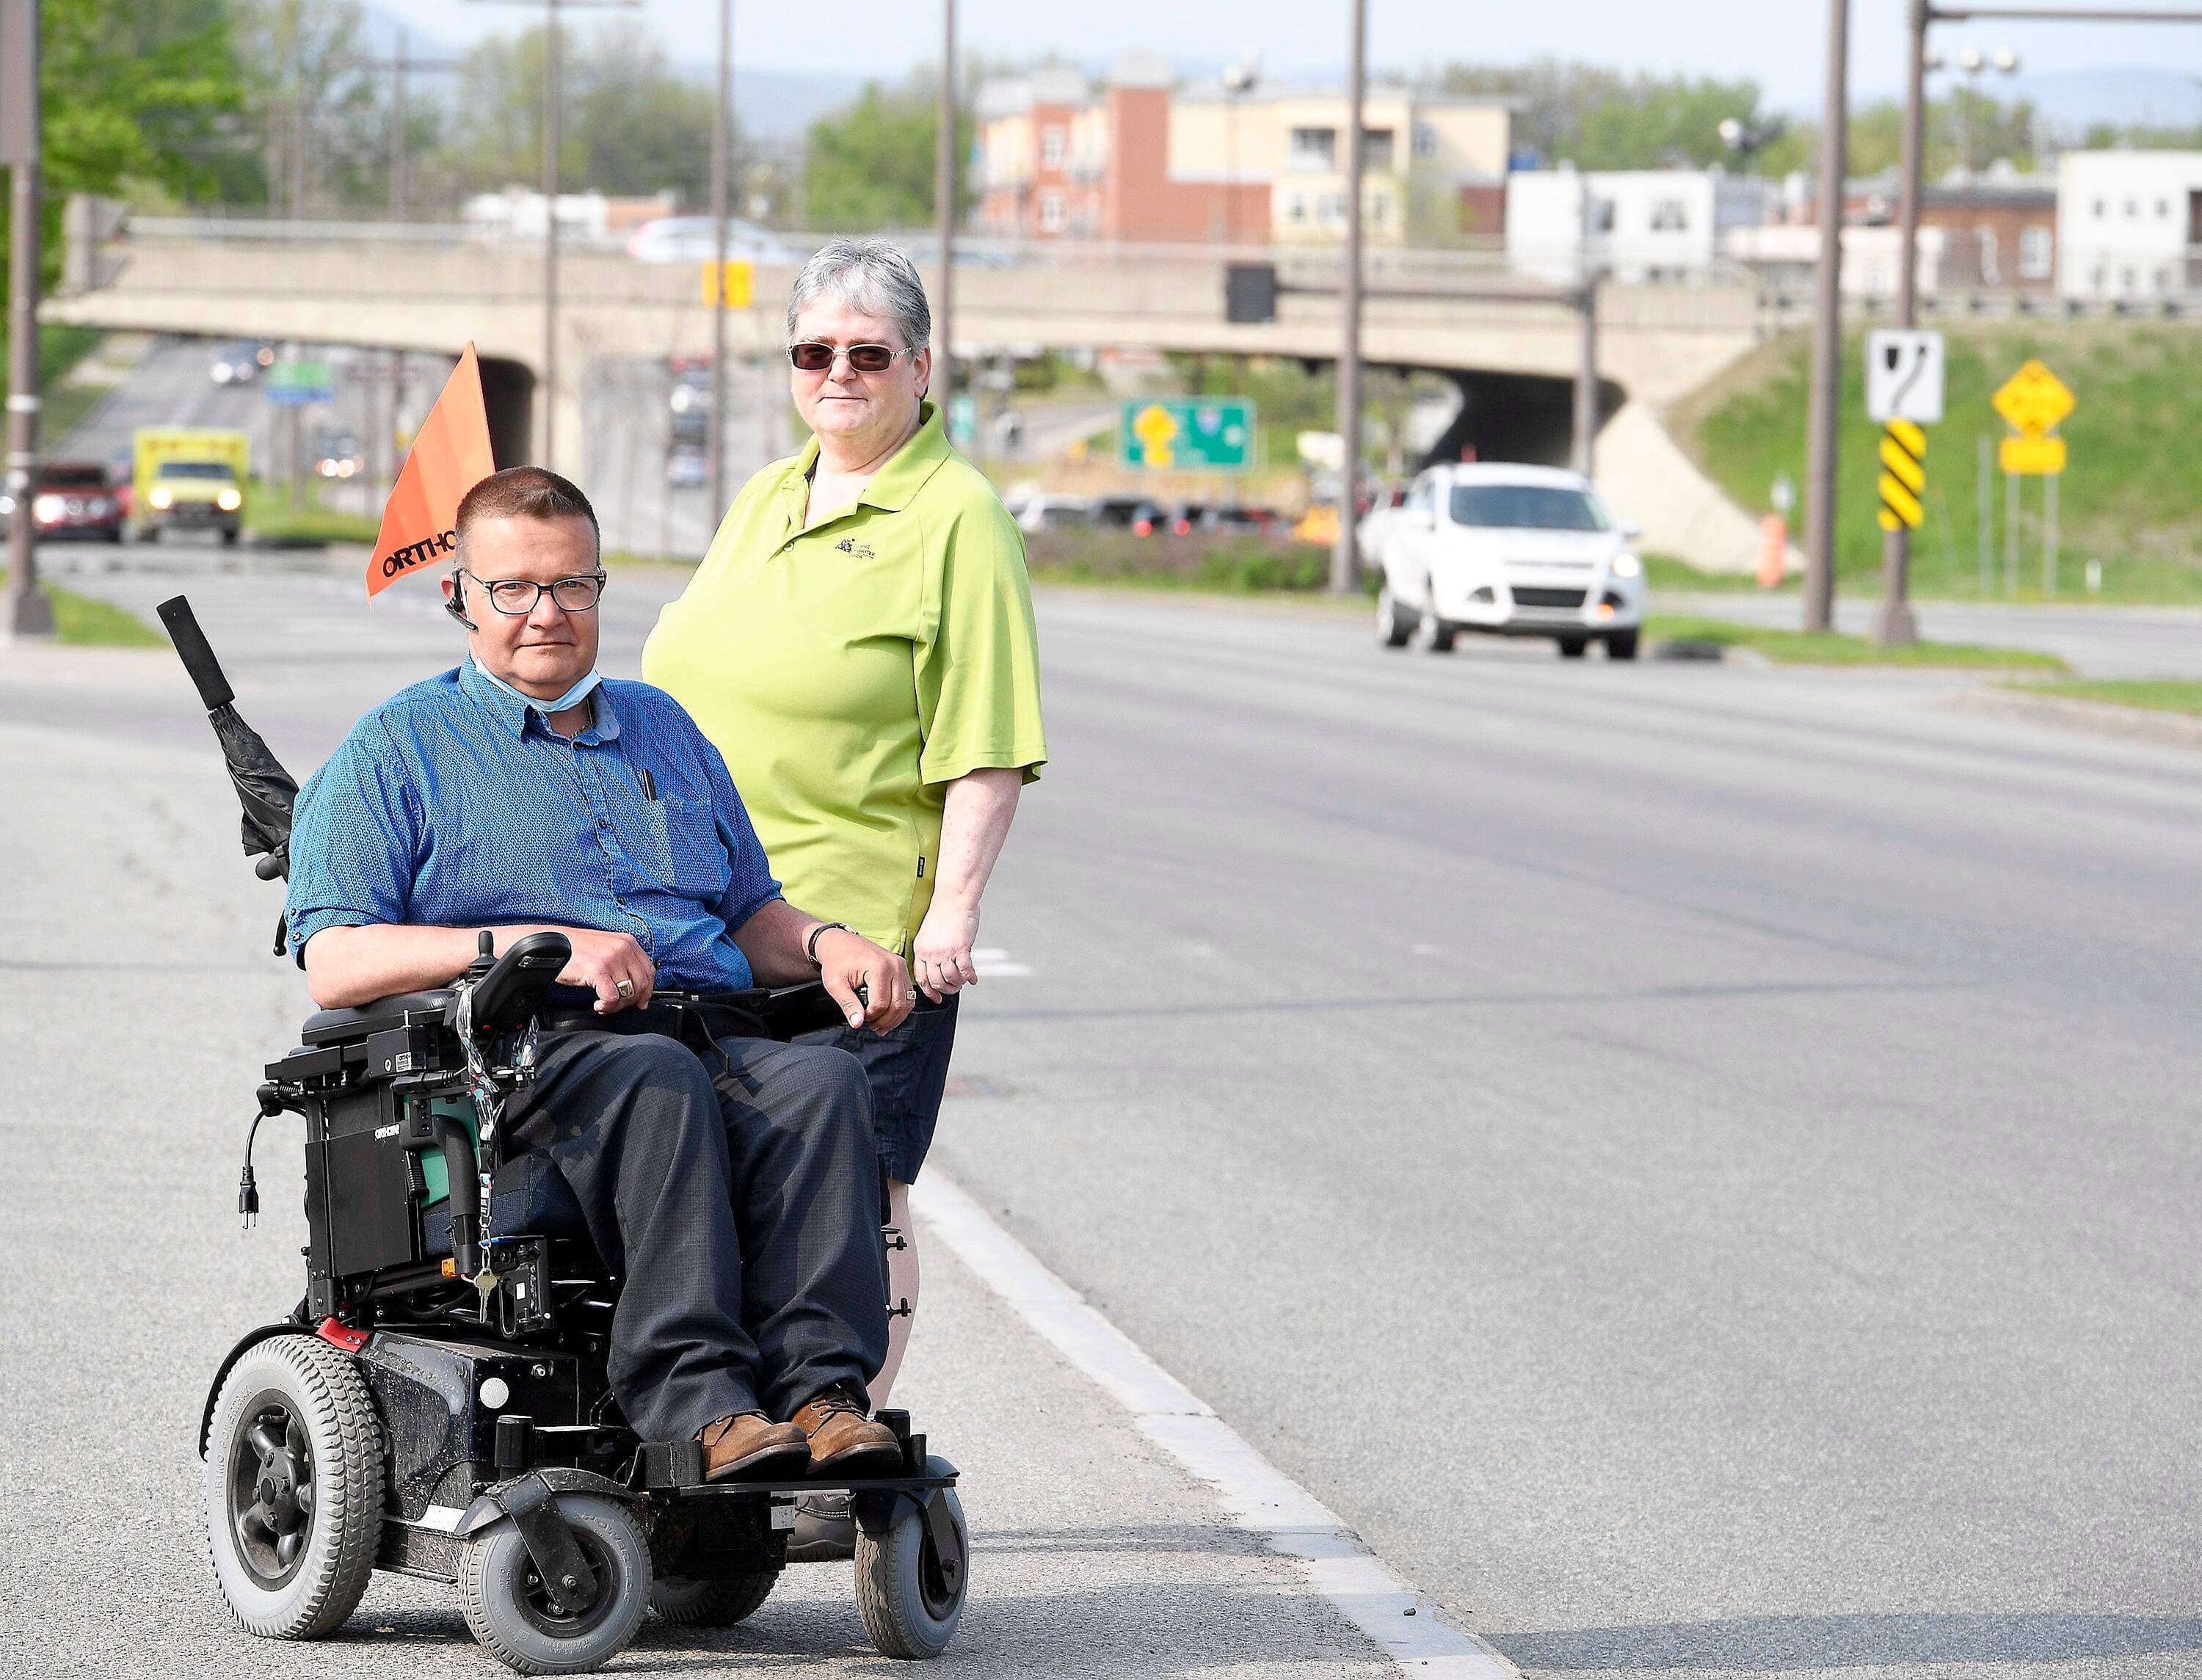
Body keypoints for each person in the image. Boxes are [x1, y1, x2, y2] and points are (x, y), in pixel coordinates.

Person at [286, 465, 916, 1484]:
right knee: (654, 1085)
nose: (547, 613)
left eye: (573, 585)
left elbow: (747, 908)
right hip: (526, 1064)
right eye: (515, 589)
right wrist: (534, 944)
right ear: (460, 595)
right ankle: (704, 1407)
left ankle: (820, 1393)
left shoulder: (663, 726)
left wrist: (825, 940)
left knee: (820, 1083)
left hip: (701, 1028)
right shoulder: (397, 748)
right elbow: (334, 959)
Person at [644, 237, 1046, 1554]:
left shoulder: (955, 516)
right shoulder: (770, 492)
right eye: (814, 352)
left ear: (921, 369)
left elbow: (986, 739)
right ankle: (734, 1434)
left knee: (852, 1202)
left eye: (869, 354)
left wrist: (951, 918)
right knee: (727, 1187)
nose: (839, 374)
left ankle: (839, 1426)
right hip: (717, 930)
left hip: (860, 936)